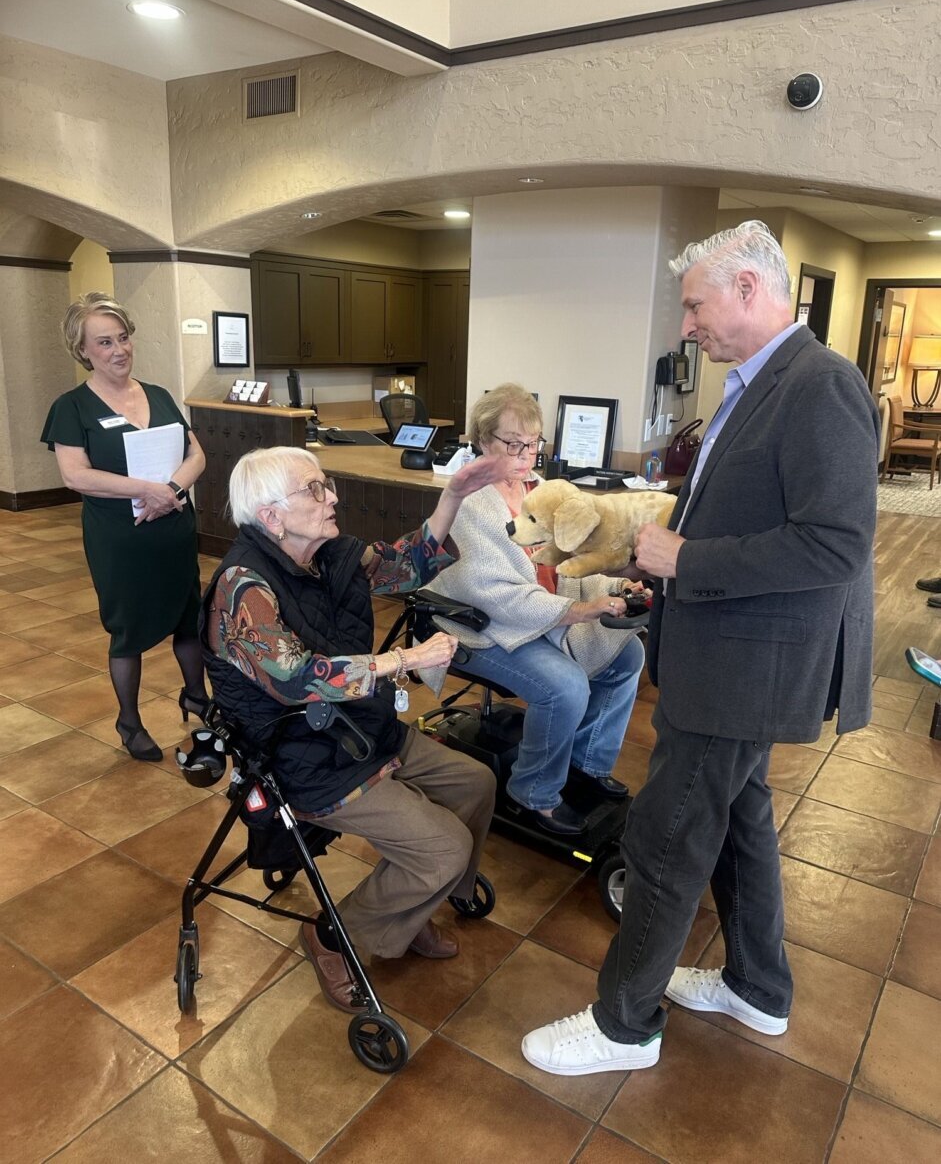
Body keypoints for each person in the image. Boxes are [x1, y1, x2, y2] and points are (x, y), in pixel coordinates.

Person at [523, 220, 880, 1075]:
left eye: (695, 305)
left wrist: (687, 558)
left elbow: (835, 543)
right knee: (740, 822)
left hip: (745, 669)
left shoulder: (818, 384)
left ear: (749, 290)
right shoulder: (759, 382)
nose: (687, 326)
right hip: (728, 648)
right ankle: (757, 987)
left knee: (667, 837)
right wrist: (671, 575)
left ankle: (622, 1025)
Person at [201, 444, 504, 1012]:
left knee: (475, 784)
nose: (332, 497)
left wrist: (453, 496)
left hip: (357, 726)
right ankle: (333, 937)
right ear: (271, 516)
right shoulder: (241, 589)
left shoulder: (334, 554)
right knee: (445, 849)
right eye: (314, 490)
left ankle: (408, 911)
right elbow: (296, 679)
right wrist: (402, 662)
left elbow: (405, 564)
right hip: (301, 752)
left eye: (326, 484)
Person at [429, 384, 646, 836]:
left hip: (545, 616)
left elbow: (575, 563)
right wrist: (582, 610)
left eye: (534, 443)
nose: (526, 455)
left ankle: (585, 765)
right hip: (479, 627)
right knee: (565, 687)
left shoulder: (542, 491)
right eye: (514, 444)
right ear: (484, 442)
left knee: (628, 656)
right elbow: (496, 596)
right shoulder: (470, 504)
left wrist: (618, 584)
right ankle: (534, 792)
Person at [41, 293, 208, 762]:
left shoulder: (157, 394)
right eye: (105, 342)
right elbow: (75, 475)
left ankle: (197, 696)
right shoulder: (72, 406)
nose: (119, 349)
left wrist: (170, 490)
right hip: (120, 538)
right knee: (128, 628)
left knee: (188, 618)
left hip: (172, 527)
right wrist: (144, 488)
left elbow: (197, 454)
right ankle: (129, 722)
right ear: (84, 351)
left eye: (124, 337)